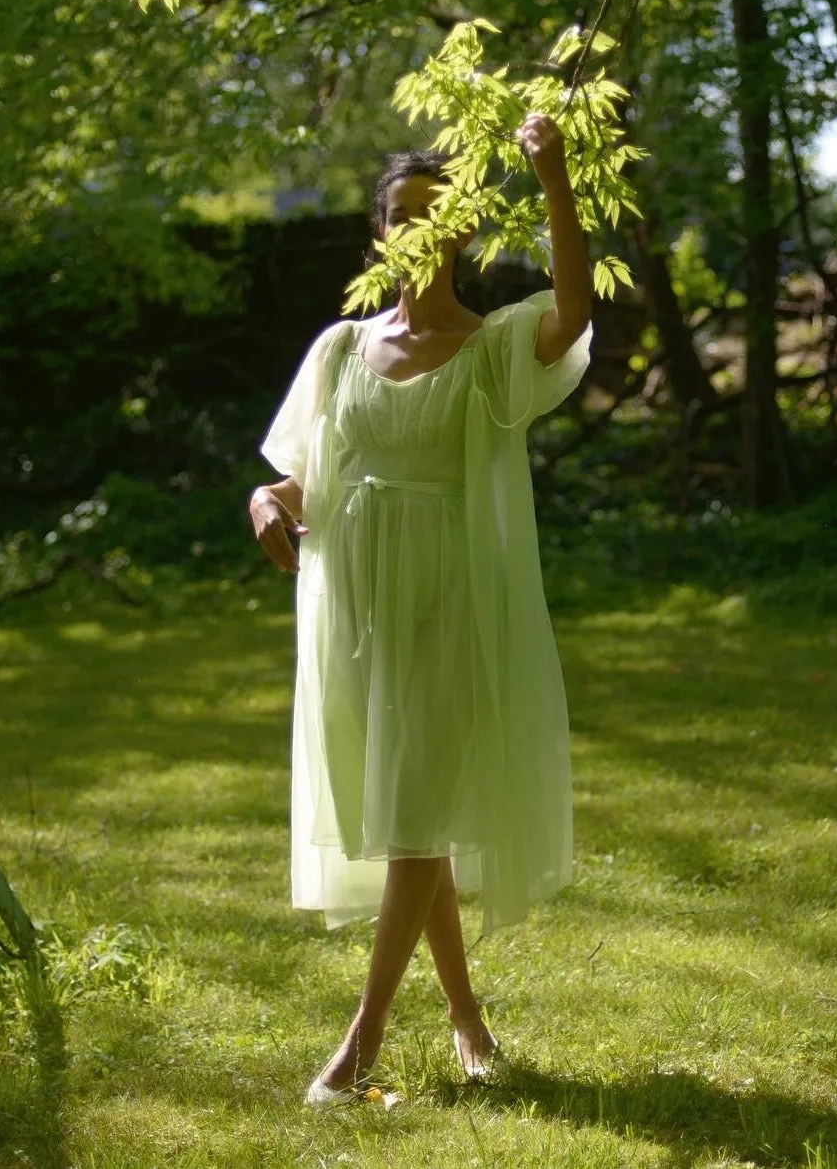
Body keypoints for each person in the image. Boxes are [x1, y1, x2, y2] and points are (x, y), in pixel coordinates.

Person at [248, 114, 593, 1104]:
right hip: (356, 607)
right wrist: (265, 503)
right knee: (416, 815)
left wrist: (553, 172)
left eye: (434, 216)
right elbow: (297, 480)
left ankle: (356, 1049)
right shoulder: (341, 349)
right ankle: (469, 1021)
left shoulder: (489, 349)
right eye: (399, 216)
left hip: (451, 600)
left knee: (414, 811)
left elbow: (571, 309)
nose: (416, 231)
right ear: (380, 235)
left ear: (462, 234)